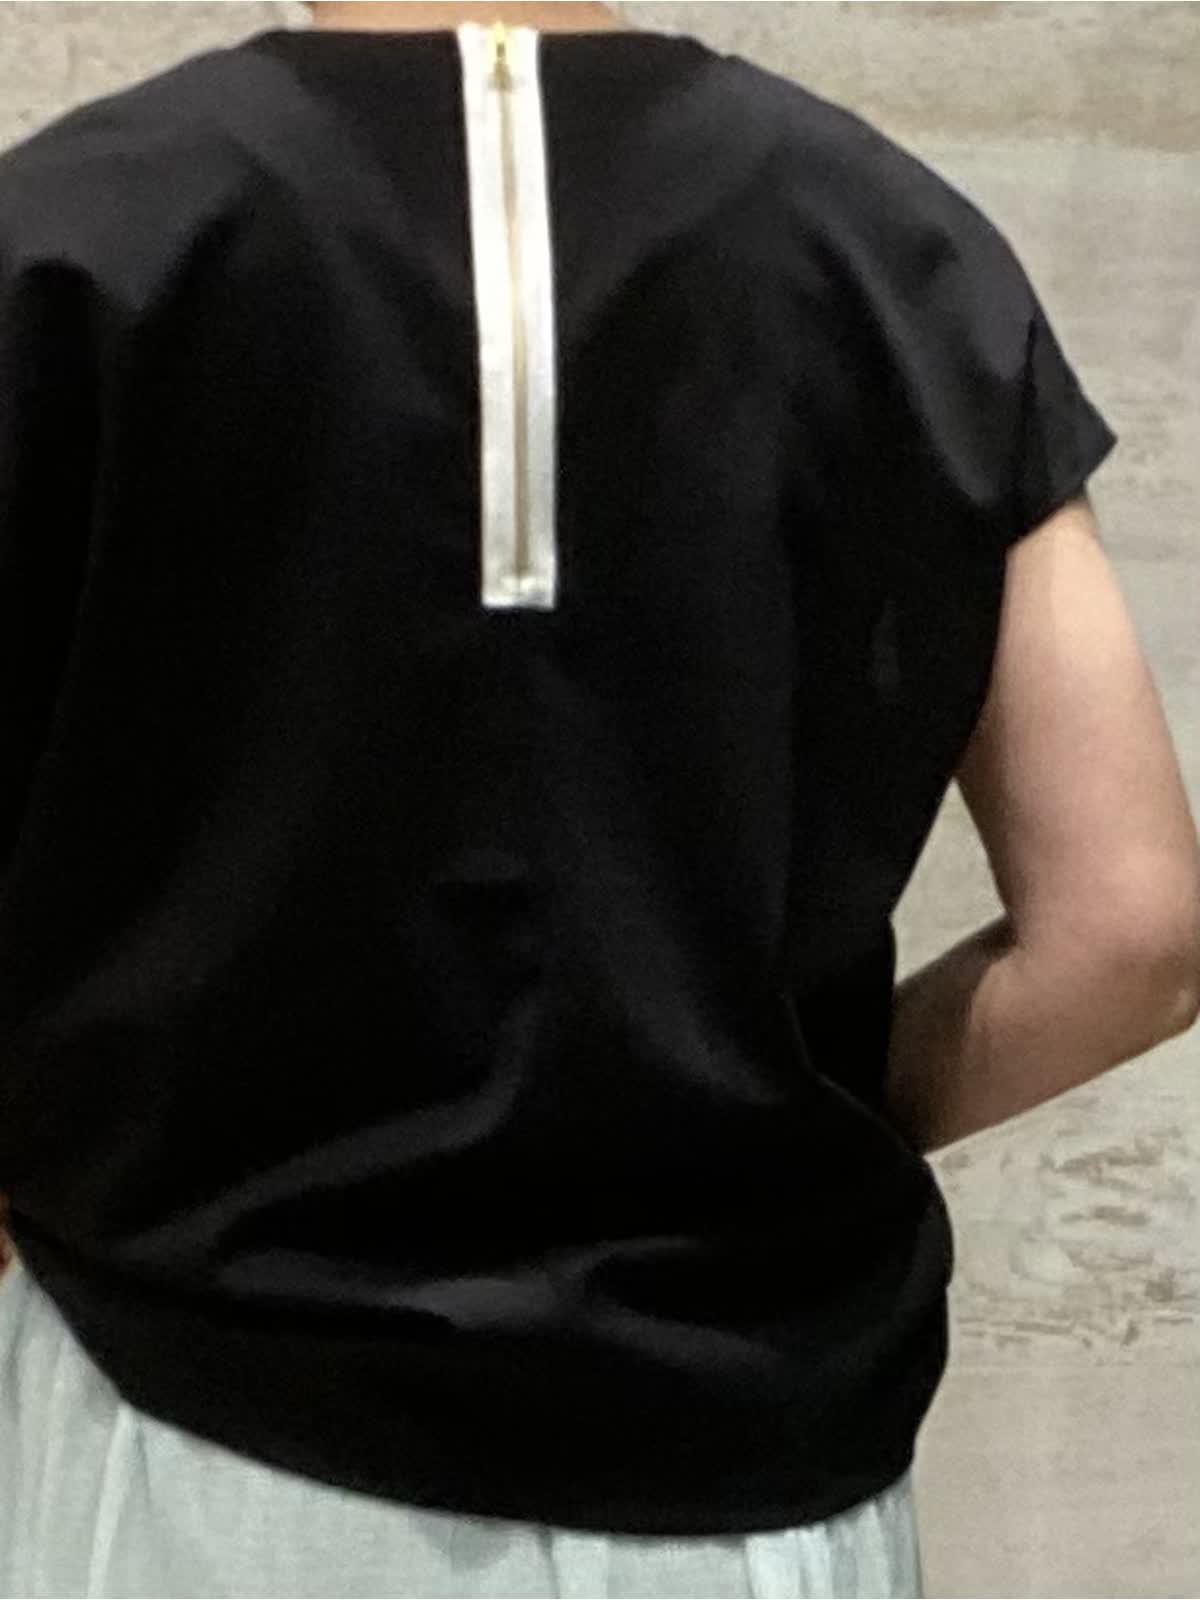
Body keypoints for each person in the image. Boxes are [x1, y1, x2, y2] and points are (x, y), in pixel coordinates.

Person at [0, 1, 1197, 1594]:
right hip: (757, 1486)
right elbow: (1133, 930)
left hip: (188, 1445)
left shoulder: (74, 232)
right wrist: (789, 1111)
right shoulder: (899, 251)